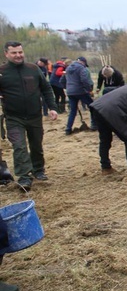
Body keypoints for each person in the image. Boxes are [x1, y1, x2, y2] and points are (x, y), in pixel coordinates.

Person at [0, 42, 59, 190]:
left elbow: (46, 88)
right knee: (19, 146)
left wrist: (52, 107)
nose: (18, 55)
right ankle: (24, 177)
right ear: (6, 54)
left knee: (36, 145)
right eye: (14, 53)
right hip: (13, 117)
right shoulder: (2, 72)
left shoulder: (33, 69)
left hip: (34, 116)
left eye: (20, 52)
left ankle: (38, 170)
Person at [63, 56, 95, 134]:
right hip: (80, 91)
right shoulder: (81, 68)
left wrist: (68, 88)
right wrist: (89, 90)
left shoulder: (68, 68)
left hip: (70, 92)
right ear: (83, 62)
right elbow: (84, 80)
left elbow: (62, 80)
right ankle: (94, 125)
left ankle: (68, 129)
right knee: (93, 107)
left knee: (72, 111)